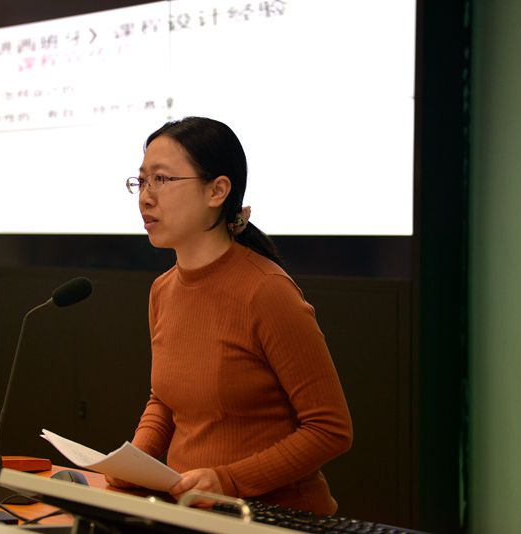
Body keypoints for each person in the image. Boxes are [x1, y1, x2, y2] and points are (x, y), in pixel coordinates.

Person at [111, 116, 352, 515]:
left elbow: (330, 429)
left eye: (162, 180)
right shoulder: (163, 290)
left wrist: (228, 480)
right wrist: (133, 461)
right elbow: (165, 402)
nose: (145, 197)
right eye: (141, 181)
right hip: (192, 512)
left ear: (217, 190)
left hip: (274, 518)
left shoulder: (266, 290)